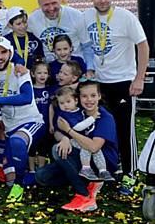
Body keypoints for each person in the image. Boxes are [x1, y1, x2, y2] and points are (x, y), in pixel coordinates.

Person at [36, 80, 119, 212]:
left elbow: (94, 147)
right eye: (84, 96)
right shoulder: (77, 112)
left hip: (102, 163)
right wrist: (64, 139)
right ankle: (86, 181)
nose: (89, 100)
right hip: (80, 157)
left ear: (99, 96)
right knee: (42, 176)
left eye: (93, 95)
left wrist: (69, 132)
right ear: (78, 98)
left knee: (56, 150)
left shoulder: (104, 117)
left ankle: (84, 195)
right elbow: (58, 131)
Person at [0, 37, 45, 203]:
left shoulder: (20, 70)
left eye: (3, 52)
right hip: (10, 128)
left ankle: (19, 186)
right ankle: (40, 176)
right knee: (7, 179)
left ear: (10, 53)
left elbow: (26, 97)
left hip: (31, 122)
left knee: (17, 142)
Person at [52, 86, 114, 182]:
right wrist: (92, 118)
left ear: (76, 101)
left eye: (68, 102)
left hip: (84, 142)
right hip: (72, 142)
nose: (65, 106)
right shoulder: (65, 114)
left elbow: (94, 146)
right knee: (85, 147)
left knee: (95, 150)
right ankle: (85, 169)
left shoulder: (80, 111)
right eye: (61, 103)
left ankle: (102, 170)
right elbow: (77, 127)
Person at [28, 0, 92, 64]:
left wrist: (90, 68)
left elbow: (87, 45)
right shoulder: (32, 20)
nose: (51, 8)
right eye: (46, 5)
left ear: (60, 0)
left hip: (74, 68)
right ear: (39, 4)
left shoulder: (76, 15)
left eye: (54, 3)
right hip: (49, 70)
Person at [31, 60, 53, 174]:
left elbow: (51, 109)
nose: (42, 75)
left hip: (46, 125)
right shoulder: (30, 90)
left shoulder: (49, 90)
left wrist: (51, 124)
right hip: (33, 125)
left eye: (45, 73)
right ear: (33, 74)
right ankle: (31, 171)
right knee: (32, 147)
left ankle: (41, 170)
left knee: (43, 147)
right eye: (39, 73)